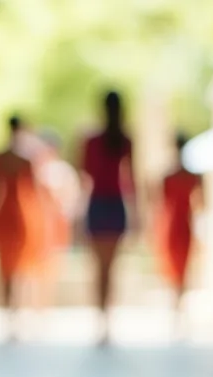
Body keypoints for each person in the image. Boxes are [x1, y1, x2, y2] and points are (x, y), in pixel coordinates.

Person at [0, 115, 51, 336]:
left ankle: (9, 313)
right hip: (21, 215)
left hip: (5, 213)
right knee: (20, 265)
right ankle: (15, 312)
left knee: (7, 266)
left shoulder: (0, 158)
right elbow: (34, 195)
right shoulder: (25, 160)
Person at [79, 91, 136, 343]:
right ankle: (106, 321)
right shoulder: (124, 139)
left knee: (99, 267)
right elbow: (131, 179)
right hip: (114, 206)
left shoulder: (92, 141)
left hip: (99, 205)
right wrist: (137, 214)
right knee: (110, 268)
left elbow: (85, 174)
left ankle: (102, 319)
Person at [152, 133, 204, 329]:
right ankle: (178, 306)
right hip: (182, 224)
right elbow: (202, 203)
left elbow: (160, 203)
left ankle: (177, 306)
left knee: (177, 265)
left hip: (174, 224)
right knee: (178, 265)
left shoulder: (170, 176)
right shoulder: (192, 176)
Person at [32, 130, 81, 311]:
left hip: (57, 224)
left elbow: (71, 199)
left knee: (52, 263)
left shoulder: (62, 171)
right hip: (38, 224)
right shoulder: (36, 169)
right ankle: (36, 304)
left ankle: (45, 304)